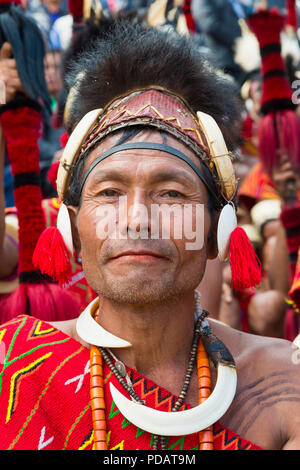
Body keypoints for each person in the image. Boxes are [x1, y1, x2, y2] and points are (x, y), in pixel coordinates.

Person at [1, 19, 300, 452]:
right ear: (72, 229)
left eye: (171, 193)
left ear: (219, 231)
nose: (138, 218)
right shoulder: (16, 366)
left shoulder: (284, 386)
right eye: (109, 192)